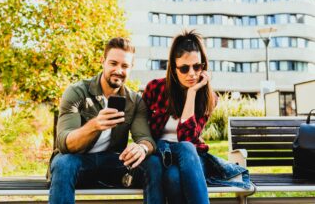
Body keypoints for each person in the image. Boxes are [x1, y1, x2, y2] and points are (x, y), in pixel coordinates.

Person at [49, 37, 164, 204]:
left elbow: (146, 139)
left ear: (131, 68)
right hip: (77, 161)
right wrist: (94, 126)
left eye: (124, 66)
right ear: (103, 62)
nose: (118, 70)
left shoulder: (135, 101)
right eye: (113, 63)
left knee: (153, 163)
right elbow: (64, 143)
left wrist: (142, 148)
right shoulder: (77, 92)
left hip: (112, 162)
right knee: (64, 163)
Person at [142, 30, 250, 204]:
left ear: (203, 66)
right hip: (161, 155)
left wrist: (192, 93)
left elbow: (188, 138)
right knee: (175, 166)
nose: (191, 73)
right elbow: (142, 131)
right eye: (184, 68)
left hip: (192, 158)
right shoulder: (155, 89)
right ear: (173, 68)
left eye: (197, 66)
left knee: (175, 172)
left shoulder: (208, 97)